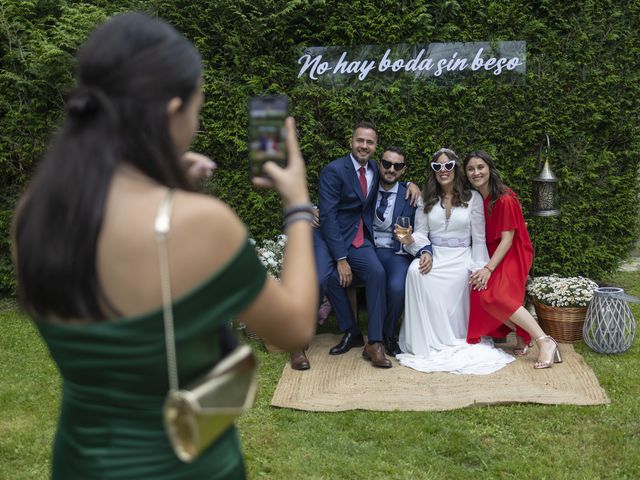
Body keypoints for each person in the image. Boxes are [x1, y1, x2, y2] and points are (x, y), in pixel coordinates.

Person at [12, 13, 316, 479]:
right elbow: (293, 329)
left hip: (79, 462)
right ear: (173, 111)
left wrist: (163, 177)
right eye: (197, 107)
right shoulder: (201, 225)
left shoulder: (34, 212)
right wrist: (297, 205)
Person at [303, 123, 420, 369]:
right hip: (328, 234)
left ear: (374, 147)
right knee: (324, 277)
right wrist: (341, 259)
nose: (364, 146)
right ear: (351, 141)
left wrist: (411, 183)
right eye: (360, 141)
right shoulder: (334, 170)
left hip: (357, 237)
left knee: (376, 273)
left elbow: (394, 176)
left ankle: (374, 342)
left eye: (369, 142)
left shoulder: (375, 170)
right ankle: (328, 334)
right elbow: (329, 216)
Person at [396, 148, 515, 375]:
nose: (443, 171)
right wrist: (420, 248)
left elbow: (479, 239)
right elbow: (420, 235)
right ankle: (425, 343)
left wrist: (481, 268)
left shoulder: (473, 198)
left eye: (448, 166)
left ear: (455, 168)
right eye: (437, 167)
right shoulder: (426, 199)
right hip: (436, 255)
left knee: (465, 277)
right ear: (432, 171)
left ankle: (458, 337)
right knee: (414, 271)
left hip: (463, 256)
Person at [464, 150, 562, 369]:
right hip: (492, 252)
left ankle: (544, 341)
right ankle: (521, 332)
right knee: (479, 292)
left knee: (496, 295)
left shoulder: (504, 198)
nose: (476, 172)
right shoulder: (477, 197)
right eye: (471, 169)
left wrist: (488, 269)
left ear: (489, 168)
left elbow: (508, 240)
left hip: (512, 252)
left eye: (480, 167)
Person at [370, 146, 419, 357]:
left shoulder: (410, 194)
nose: (391, 169)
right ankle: (368, 336)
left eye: (397, 166)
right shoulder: (367, 188)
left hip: (395, 252)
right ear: (379, 164)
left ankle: (388, 335)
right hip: (368, 249)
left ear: (403, 169)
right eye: (387, 163)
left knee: (398, 287)